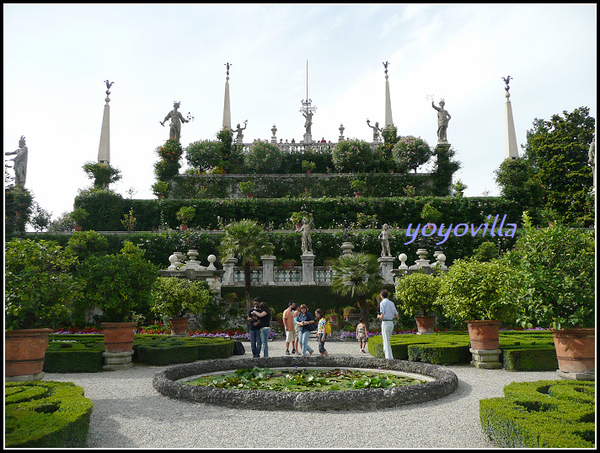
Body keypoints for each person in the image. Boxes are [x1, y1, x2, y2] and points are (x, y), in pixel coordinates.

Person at [376, 289, 399, 359]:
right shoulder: (391, 303)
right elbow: (397, 315)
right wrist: (391, 316)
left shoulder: (382, 303)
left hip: (385, 322)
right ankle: (388, 356)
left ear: (381, 296)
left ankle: (388, 358)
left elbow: (382, 315)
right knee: (387, 340)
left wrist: (378, 316)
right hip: (391, 322)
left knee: (385, 341)